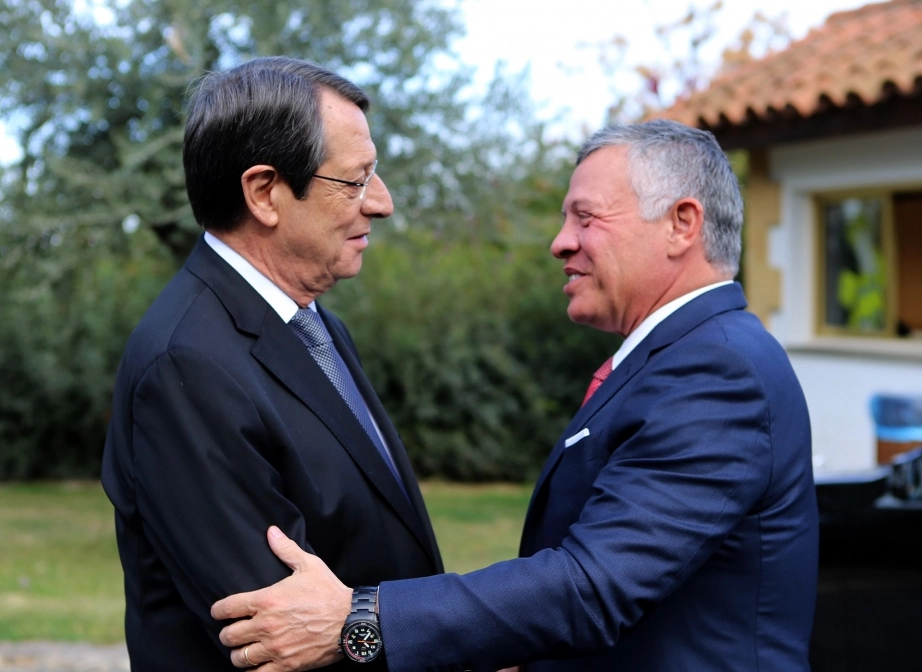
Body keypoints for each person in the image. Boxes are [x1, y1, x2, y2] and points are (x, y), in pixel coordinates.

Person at [211, 119, 819, 671]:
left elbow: (593, 587)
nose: (561, 242)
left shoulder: (716, 371)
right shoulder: (686, 356)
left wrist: (359, 619)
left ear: (682, 224)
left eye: (586, 218)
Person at [101, 56, 443, 671]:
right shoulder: (189, 366)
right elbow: (279, 636)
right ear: (264, 193)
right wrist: (444, 642)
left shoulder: (313, 325)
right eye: (355, 181)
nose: (382, 203)